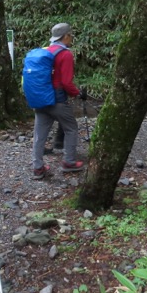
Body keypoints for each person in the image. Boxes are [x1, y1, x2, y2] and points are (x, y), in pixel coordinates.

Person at [31, 22, 85, 179]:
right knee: (71, 128)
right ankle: (69, 162)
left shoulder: (46, 51)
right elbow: (67, 82)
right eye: (71, 35)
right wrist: (77, 93)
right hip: (57, 99)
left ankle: (38, 168)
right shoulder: (65, 54)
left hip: (40, 97)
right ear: (66, 36)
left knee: (39, 134)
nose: (71, 38)